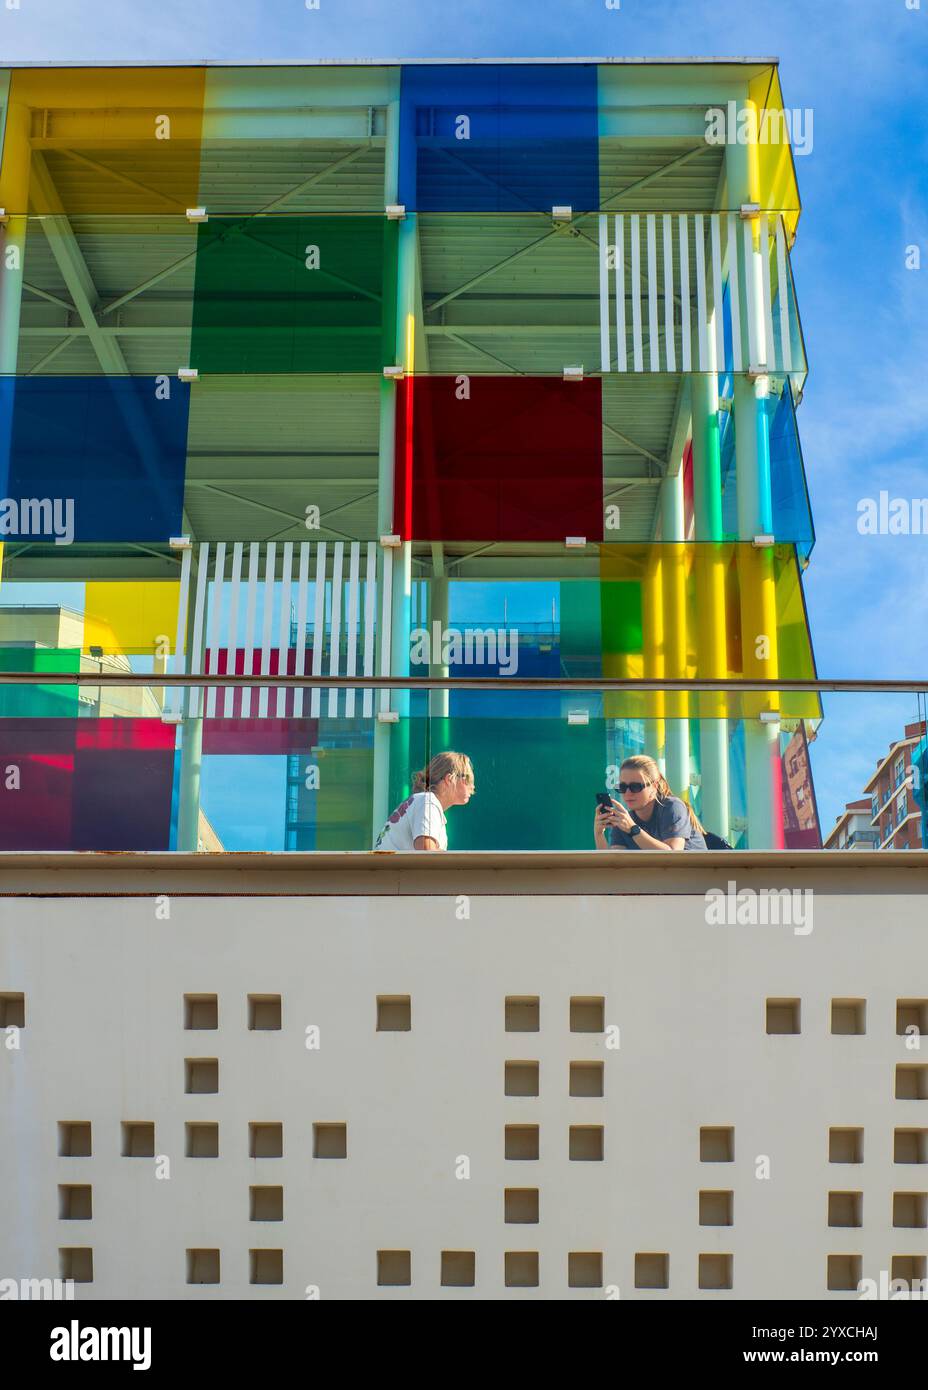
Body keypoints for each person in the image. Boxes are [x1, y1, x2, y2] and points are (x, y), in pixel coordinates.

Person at [594, 754, 707, 852]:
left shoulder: (672, 807)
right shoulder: (625, 820)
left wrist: (633, 830)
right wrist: (599, 834)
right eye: (622, 787)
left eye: (635, 787)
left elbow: (673, 855)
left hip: (695, 874)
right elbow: (615, 865)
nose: (628, 793)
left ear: (654, 786)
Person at [374, 751, 475, 851]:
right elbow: (427, 854)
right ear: (449, 779)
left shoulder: (423, 802)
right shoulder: (428, 802)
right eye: (467, 778)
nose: (472, 786)